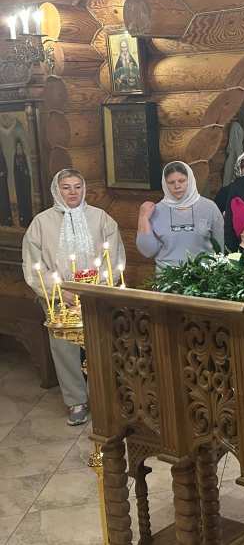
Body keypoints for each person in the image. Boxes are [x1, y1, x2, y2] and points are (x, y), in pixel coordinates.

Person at [22, 169, 126, 426]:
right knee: (64, 348)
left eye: (77, 186)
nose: (72, 192)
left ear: (84, 188)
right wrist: (60, 291)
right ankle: (76, 400)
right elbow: (34, 265)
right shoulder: (41, 223)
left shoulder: (101, 218)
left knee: (101, 344)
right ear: (57, 190)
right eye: (66, 187)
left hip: (95, 294)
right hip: (60, 296)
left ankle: (102, 397)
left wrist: (95, 288)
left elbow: (113, 257)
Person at [136, 161, 224, 270]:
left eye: (182, 181)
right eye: (171, 182)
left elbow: (220, 248)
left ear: (190, 180)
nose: (177, 186)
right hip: (167, 276)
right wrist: (143, 218)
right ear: (165, 184)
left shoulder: (209, 208)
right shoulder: (156, 210)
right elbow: (148, 251)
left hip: (204, 275)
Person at [13, 139, 33, 227]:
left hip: (25, 183)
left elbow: (27, 171)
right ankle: (23, 221)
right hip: (19, 184)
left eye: (20, 147)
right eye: (17, 148)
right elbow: (15, 171)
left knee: (27, 201)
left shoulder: (24, 157)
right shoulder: (15, 158)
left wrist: (25, 174)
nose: (19, 149)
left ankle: (29, 219)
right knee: (21, 202)